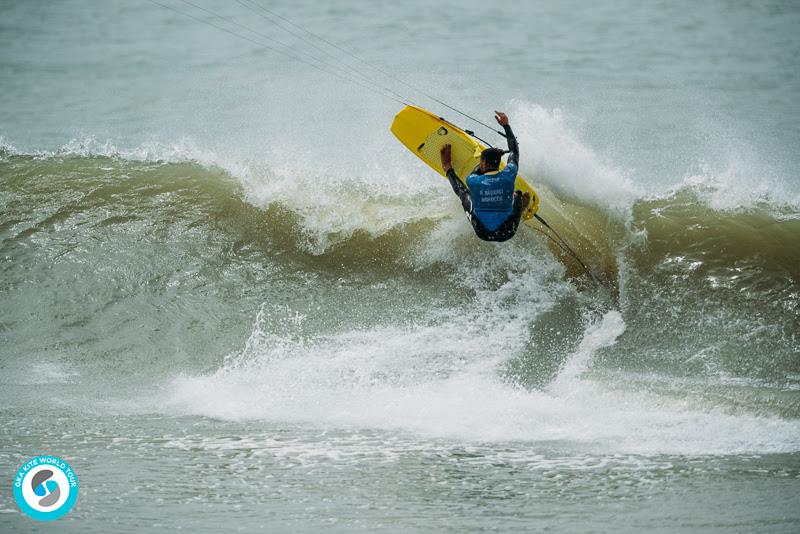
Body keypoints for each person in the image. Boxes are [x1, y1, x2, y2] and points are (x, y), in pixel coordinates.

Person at [439, 111, 530, 242]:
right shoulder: (508, 175)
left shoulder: (473, 180)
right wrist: (506, 125)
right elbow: (514, 152)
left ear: (483, 163)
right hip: (507, 231)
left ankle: (447, 167)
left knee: (464, 193)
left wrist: (486, 160)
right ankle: (519, 209)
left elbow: (477, 172)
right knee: (518, 194)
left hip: (482, 232)